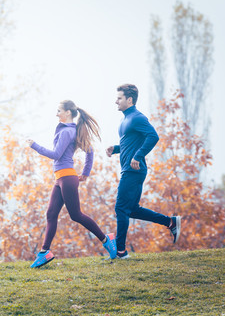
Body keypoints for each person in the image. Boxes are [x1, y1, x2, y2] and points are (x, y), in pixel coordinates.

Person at [27, 100, 117, 268]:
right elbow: (89, 152)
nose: (56, 114)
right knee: (51, 214)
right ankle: (44, 252)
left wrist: (34, 146)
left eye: (59, 110)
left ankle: (107, 240)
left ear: (68, 112)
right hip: (61, 178)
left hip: (67, 178)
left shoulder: (68, 132)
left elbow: (56, 154)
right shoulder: (71, 131)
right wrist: (85, 173)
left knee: (76, 215)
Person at [106, 84, 181, 259]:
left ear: (129, 99)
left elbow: (153, 136)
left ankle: (120, 251)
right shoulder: (125, 119)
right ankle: (170, 222)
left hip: (134, 170)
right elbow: (130, 143)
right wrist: (116, 148)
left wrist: (138, 156)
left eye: (119, 98)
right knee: (131, 209)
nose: (115, 101)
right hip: (129, 169)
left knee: (120, 208)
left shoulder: (137, 117)